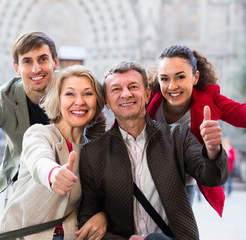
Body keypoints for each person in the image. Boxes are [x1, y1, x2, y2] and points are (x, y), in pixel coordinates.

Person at [78, 61, 229, 240]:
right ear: (107, 102)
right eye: (116, 89)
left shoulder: (176, 136)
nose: (126, 94)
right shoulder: (92, 153)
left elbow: (213, 177)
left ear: (148, 94)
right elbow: (87, 218)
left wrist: (213, 150)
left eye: (133, 86)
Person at [0, 32, 106, 197]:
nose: (36, 69)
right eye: (27, 61)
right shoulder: (4, 99)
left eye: (43, 59)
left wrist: (86, 154)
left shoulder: (71, 88)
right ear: (17, 68)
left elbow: (98, 120)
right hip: (26, 182)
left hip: (70, 179)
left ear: (55, 62)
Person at [147, 45, 246, 216]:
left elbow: (239, 113)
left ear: (195, 77)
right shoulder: (149, 97)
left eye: (180, 77)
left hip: (182, 184)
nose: (172, 86)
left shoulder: (207, 97)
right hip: (146, 180)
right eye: (164, 79)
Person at [0, 65, 107, 240]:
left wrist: (103, 216)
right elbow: (39, 160)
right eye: (70, 94)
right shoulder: (39, 134)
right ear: (57, 99)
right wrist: (53, 174)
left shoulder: (92, 150)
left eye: (88, 94)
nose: (80, 101)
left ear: (97, 101)